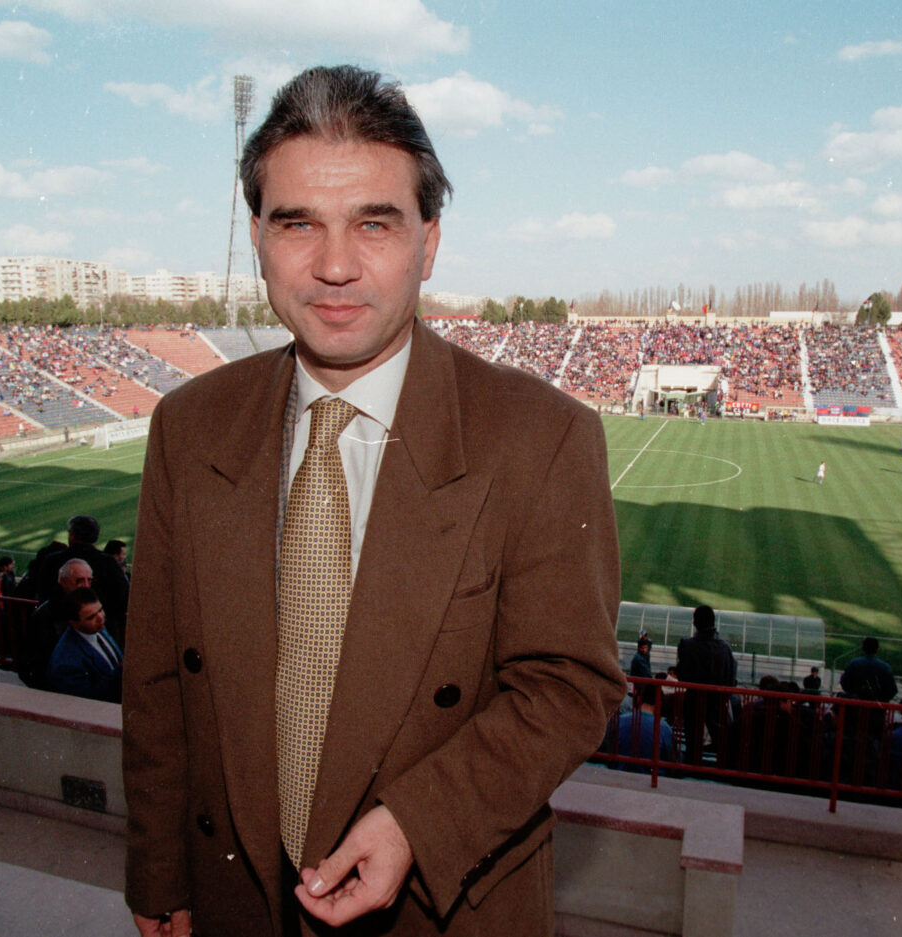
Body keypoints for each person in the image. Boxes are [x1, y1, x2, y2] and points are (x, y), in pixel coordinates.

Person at [122, 65, 626, 937]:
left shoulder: (540, 437)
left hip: (439, 907)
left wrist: (417, 824)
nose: (334, 266)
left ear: (429, 243)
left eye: (374, 223)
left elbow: (569, 683)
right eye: (298, 224)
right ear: (257, 238)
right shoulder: (188, 426)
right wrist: (159, 872)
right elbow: (159, 681)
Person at [35, 515, 129, 644]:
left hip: (58, 633)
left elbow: (43, 594)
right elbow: (123, 599)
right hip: (101, 634)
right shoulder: (107, 562)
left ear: (72, 535)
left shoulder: (52, 561)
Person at [17, 558, 94, 690]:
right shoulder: (47, 615)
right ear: (63, 582)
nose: (86, 585)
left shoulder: (87, 609)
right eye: (80, 581)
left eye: (89, 580)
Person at [676, 605, 736, 766]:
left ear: (694, 622)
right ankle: (722, 768)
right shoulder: (725, 648)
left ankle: (692, 765)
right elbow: (731, 678)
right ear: (713, 623)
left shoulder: (687, 645)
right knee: (720, 739)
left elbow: (682, 676)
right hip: (718, 702)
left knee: (693, 739)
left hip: (694, 700)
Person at [45, 587, 122, 703]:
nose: (100, 618)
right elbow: (90, 698)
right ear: (73, 623)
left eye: (100, 610)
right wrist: (122, 670)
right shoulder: (66, 663)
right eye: (91, 617)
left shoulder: (97, 628)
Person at [600, 681, 675, 774]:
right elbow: (672, 761)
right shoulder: (664, 728)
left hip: (619, 773)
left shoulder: (619, 721)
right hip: (650, 777)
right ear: (659, 702)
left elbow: (606, 748)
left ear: (639, 698)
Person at [840, 636, 897, 702]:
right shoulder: (885, 667)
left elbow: (844, 683)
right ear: (877, 649)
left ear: (863, 648)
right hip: (876, 705)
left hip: (855, 704)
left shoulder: (853, 664)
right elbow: (892, 690)